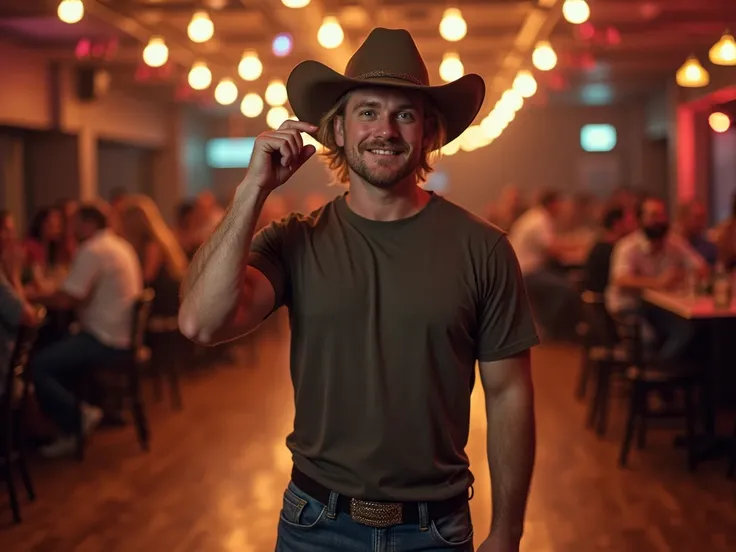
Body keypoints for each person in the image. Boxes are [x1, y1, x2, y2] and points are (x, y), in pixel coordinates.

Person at [179, 28, 539, 552]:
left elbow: (509, 394)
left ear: (428, 133)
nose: (385, 130)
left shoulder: (484, 248)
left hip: (436, 529)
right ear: (339, 132)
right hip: (314, 524)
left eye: (405, 114)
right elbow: (200, 323)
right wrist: (251, 191)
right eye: (367, 111)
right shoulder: (293, 241)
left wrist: (508, 530)